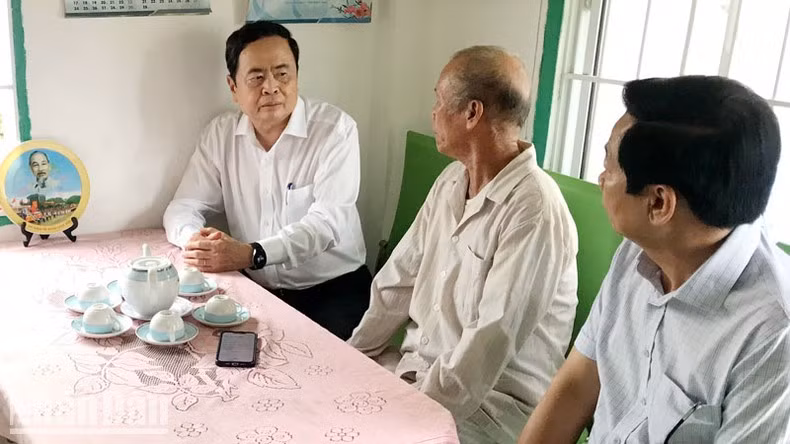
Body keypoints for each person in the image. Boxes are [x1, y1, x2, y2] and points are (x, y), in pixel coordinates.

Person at [519, 76, 790, 444]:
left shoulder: (773, 333)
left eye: (610, 167)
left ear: (659, 203)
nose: (601, 179)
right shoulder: (638, 251)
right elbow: (576, 386)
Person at [348, 46, 579, 443]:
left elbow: (487, 345)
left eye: (439, 100)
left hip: (489, 408)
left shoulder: (534, 209)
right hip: (418, 373)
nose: (433, 112)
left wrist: (415, 416)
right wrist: (352, 356)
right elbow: (398, 280)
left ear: (472, 113)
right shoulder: (453, 181)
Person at [163, 21, 369, 340]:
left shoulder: (335, 130)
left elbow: (327, 224)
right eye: (257, 77)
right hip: (255, 290)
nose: (271, 87)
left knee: (314, 377)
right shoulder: (221, 135)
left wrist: (251, 254)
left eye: (282, 73)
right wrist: (199, 243)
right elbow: (182, 208)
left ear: (297, 76)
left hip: (333, 292)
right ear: (233, 87)